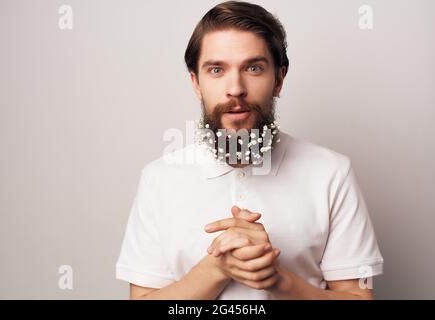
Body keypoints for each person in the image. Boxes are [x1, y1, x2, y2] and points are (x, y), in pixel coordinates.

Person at [116, 1, 384, 299]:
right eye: (216, 69)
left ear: (279, 79)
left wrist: (276, 279)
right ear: (196, 82)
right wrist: (216, 270)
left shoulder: (332, 173)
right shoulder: (158, 179)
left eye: (253, 68)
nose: (236, 88)